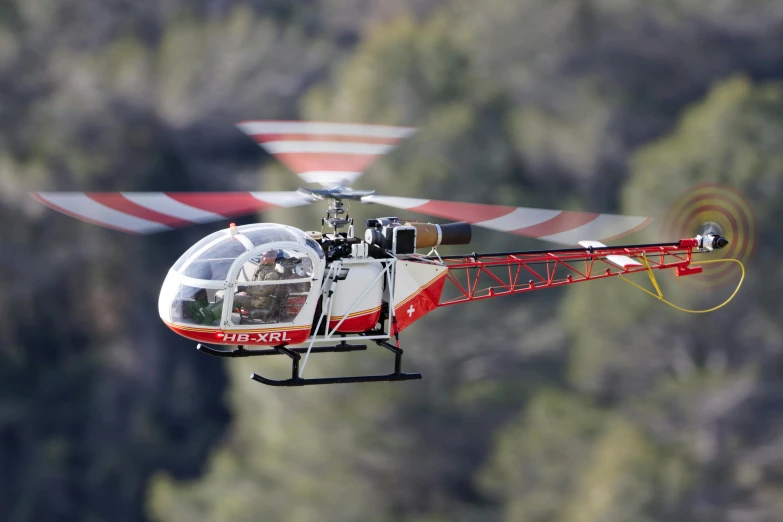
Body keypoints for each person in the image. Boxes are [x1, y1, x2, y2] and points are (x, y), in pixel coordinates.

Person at [233, 249, 286, 322]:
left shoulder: (272, 274)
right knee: (230, 298)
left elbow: (262, 291)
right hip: (254, 297)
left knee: (234, 300)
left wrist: (246, 289)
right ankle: (212, 311)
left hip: (259, 302)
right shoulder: (262, 269)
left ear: (271, 258)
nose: (261, 257)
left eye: (264, 256)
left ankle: (212, 316)